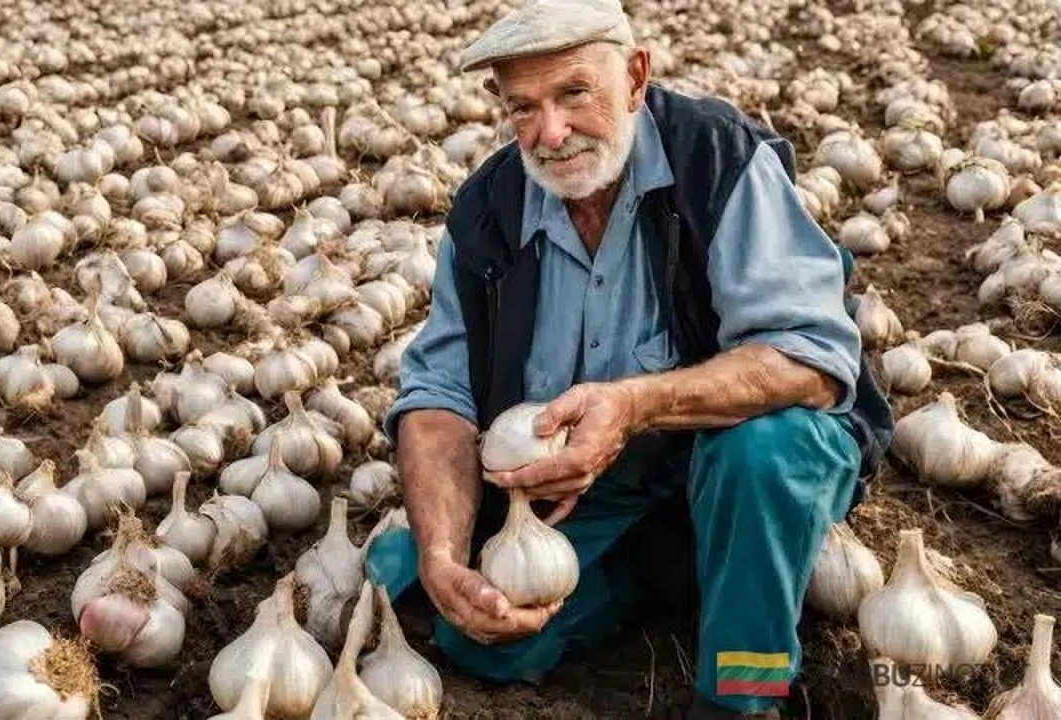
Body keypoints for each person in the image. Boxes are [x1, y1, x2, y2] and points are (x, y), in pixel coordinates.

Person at [363, 0, 894, 717]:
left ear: (636, 77)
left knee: (760, 454)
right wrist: (441, 556)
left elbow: (812, 360)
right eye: (523, 107)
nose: (551, 133)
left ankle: (744, 692)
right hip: (605, 490)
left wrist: (634, 405)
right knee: (481, 637)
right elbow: (438, 398)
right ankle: (672, 569)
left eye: (574, 93)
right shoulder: (487, 212)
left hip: (741, 453)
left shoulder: (716, 161)